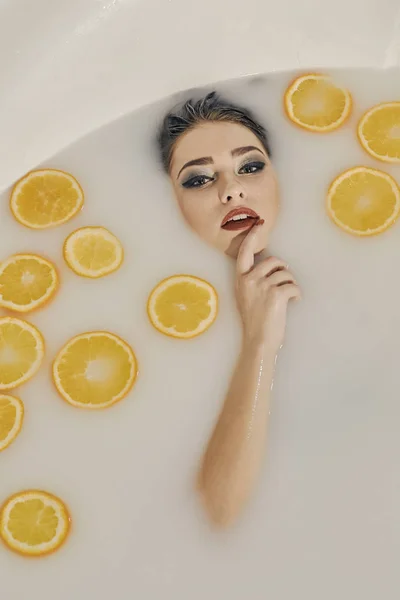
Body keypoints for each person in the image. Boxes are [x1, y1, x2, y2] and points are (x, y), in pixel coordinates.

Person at [157, 91, 301, 528]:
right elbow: (215, 517)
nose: (232, 189)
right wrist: (258, 342)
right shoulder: (167, 326)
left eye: (251, 166)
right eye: (198, 179)